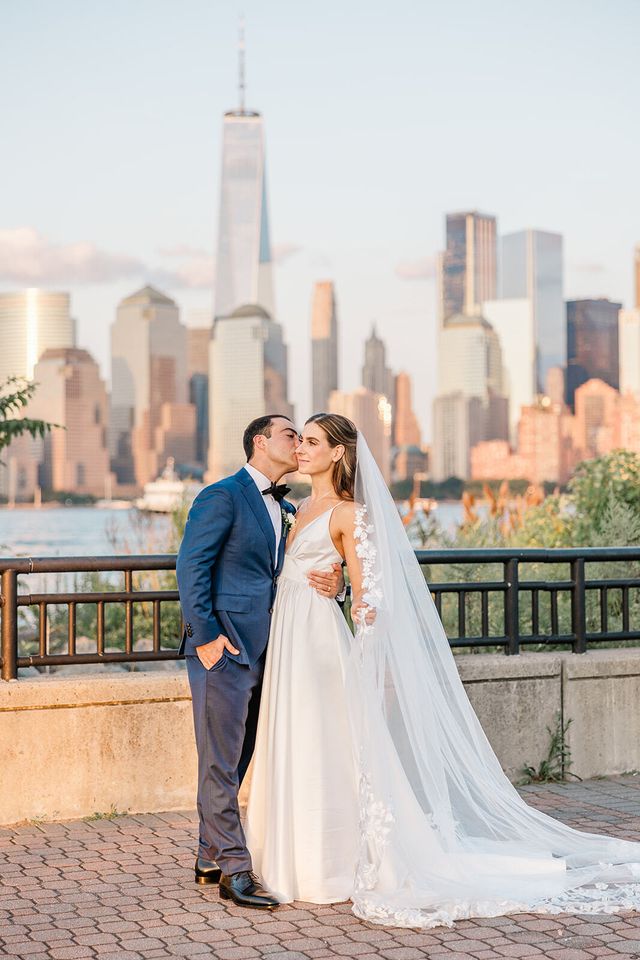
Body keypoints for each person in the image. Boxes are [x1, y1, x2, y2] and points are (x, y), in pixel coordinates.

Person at [245, 412, 640, 928]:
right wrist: (331, 583)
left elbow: (371, 593)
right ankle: (289, 859)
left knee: (323, 742)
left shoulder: (350, 513)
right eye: (300, 441)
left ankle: (329, 865)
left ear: (338, 452)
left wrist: (356, 612)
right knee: (294, 740)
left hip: (319, 644)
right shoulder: (295, 507)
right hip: (288, 639)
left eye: (313, 442)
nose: (301, 449)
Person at [176, 414, 344, 910]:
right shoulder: (221, 495)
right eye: (290, 434)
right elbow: (191, 566)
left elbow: (299, 572)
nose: (298, 443)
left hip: (272, 650)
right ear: (259, 442)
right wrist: (205, 637)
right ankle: (235, 869)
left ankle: (209, 856)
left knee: (239, 757)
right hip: (225, 649)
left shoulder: (290, 507)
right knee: (221, 762)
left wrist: (339, 585)